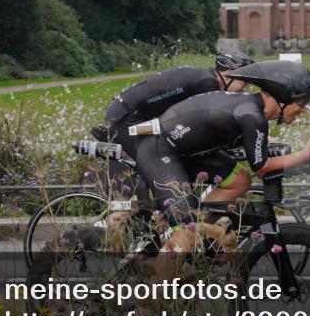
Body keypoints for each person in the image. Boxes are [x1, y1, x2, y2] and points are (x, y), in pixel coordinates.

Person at [135, 60, 310, 253]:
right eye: (302, 103)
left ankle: (199, 237)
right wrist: (306, 154)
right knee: (186, 235)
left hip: (183, 149)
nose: (304, 110)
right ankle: (157, 279)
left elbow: (263, 166)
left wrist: (309, 161)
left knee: (240, 180)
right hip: (159, 149)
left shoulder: (251, 109)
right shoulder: (252, 115)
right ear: (282, 97)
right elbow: (262, 168)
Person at [97, 52, 254, 226]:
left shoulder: (205, 77)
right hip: (127, 121)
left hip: (131, 116)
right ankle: (104, 230)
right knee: (165, 168)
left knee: (171, 164)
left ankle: (165, 219)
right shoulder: (208, 85)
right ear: (226, 74)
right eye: (243, 82)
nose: (245, 89)